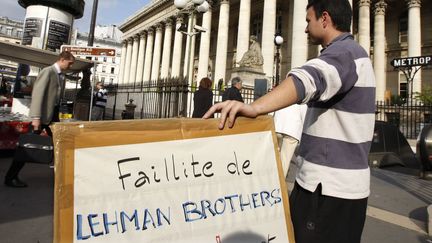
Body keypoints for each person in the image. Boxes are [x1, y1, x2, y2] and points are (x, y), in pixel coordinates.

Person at [204, 0, 376, 242]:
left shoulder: (343, 54)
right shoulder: (356, 55)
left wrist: (254, 107)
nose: (305, 28)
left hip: (327, 189)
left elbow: (306, 79)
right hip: (341, 188)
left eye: (308, 21)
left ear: (324, 19)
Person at [4, 51, 75, 188]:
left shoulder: (61, 76)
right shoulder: (48, 72)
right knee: (27, 145)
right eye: (70, 63)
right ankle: (10, 177)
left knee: (59, 143)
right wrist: (36, 117)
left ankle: (61, 173)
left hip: (52, 116)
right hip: (42, 116)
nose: (70, 66)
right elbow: (38, 94)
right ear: (62, 59)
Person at [273, 104, 307, 178]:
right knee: (284, 160)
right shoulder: (302, 100)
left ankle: (272, 176)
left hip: (277, 126)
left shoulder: (282, 95)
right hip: (292, 131)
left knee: (275, 156)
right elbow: (305, 119)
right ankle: (279, 183)